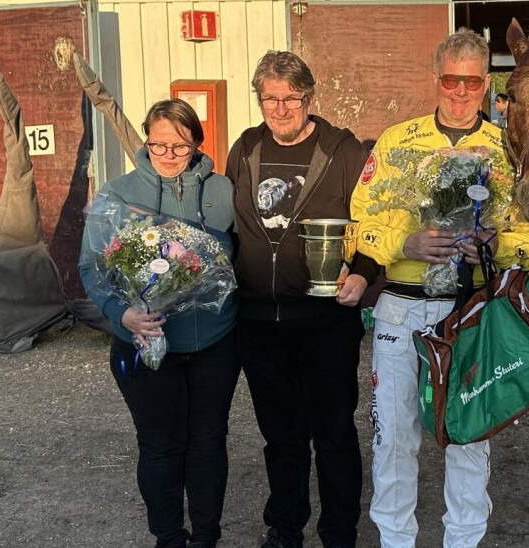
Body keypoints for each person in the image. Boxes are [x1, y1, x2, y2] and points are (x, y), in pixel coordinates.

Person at [351, 29, 529, 548]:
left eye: (471, 81)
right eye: (449, 79)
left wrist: (496, 244)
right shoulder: (398, 141)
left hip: (472, 312)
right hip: (402, 311)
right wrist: (406, 242)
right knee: (394, 439)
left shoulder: (511, 149)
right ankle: (396, 540)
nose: (459, 91)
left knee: (469, 435)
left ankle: (463, 541)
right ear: (434, 78)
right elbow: (359, 224)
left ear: (487, 84)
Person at [225, 50, 379, 548]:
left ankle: (339, 533)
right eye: (270, 98)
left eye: (291, 97)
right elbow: (227, 226)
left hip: (325, 322)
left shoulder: (344, 152)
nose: (281, 107)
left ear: (310, 98)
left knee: (333, 434)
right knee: (281, 437)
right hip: (258, 321)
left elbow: (376, 222)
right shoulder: (245, 149)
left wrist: (363, 274)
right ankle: (284, 528)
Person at [78, 99, 239, 548]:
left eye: (179, 145)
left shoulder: (223, 190)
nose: (167, 154)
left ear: (197, 143)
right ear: (145, 141)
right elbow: (91, 267)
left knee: (208, 442)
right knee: (160, 444)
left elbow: (239, 257)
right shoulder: (117, 194)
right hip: (142, 340)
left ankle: (206, 536)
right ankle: (169, 536)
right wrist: (121, 314)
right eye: (157, 144)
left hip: (213, 342)